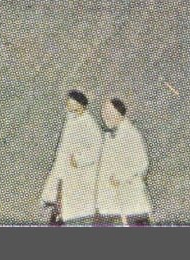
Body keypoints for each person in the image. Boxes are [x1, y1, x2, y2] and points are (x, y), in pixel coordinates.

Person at [40, 89, 103, 225]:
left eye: (71, 101)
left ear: (80, 104)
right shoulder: (70, 120)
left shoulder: (89, 124)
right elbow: (63, 149)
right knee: (59, 206)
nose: (67, 104)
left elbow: (97, 149)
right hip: (64, 172)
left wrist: (79, 160)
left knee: (76, 211)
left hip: (79, 176)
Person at [96, 98, 153, 225]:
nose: (105, 117)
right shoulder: (107, 137)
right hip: (109, 204)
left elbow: (141, 163)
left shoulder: (132, 134)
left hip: (131, 203)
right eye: (104, 113)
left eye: (109, 113)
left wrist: (121, 177)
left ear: (119, 113)